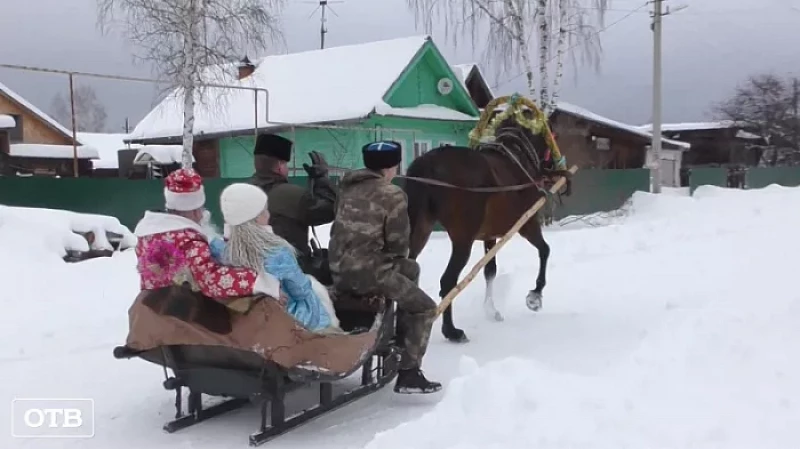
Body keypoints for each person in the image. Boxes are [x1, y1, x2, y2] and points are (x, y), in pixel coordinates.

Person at [329, 140, 442, 395]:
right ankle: (409, 372)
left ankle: (396, 332)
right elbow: (398, 245)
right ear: (392, 167)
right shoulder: (393, 195)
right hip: (370, 273)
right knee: (425, 307)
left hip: (337, 268)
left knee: (411, 270)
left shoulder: (346, 188)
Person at [208, 183, 342, 334]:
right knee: (314, 292)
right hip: (289, 320)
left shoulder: (218, 249)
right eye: (264, 210)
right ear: (257, 217)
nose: (269, 214)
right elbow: (300, 291)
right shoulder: (276, 252)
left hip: (246, 319)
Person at [134, 168, 281, 302]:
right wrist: (258, 281)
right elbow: (210, 279)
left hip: (151, 304)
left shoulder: (148, 235)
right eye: (200, 208)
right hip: (179, 309)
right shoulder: (189, 241)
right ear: (194, 210)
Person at [249, 133, 337, 283]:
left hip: (253, 270)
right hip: (291, 273)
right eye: (285, 165)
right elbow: (329, 210)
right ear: (279, 166)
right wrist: (322, 179)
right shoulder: (287, 194)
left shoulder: (244, 190)